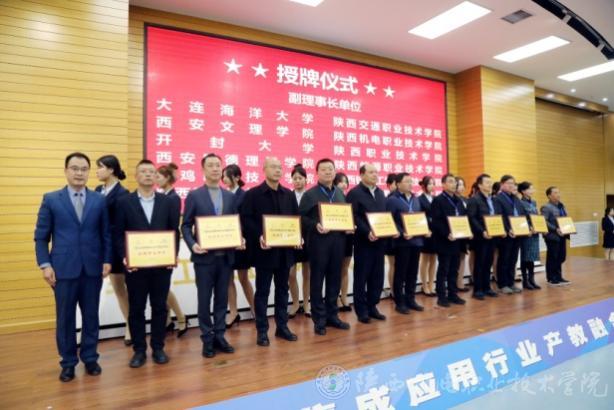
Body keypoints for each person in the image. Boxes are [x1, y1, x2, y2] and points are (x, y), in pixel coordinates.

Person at [35, 152, 112, 382]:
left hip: (92, 268)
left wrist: (107, 260)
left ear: (89, 172)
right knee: (65, 318)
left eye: (84, 169)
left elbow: (106, 234)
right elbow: (41, 237)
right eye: (75, 168)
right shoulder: (51, 199)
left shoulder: (99, 200)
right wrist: (45, 264)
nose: (79, 173)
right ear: (66, 171)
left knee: (91, 316)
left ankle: (90, 357)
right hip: (62, 269)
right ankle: (68, 362)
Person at [114, 159, 180, 368]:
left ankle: (158, 348)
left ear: (156, 177)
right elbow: (118, 234)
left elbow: (174, 231)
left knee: (160, 307)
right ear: (136, 176)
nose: (148, 174)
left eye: (152, 171)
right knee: (136, 309)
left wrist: (173, 255)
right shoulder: (124, 202)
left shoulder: (167, 202)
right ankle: (139, 350)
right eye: (143, 171)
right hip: (136, 267)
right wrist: (124, 256)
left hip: (162, 266)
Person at [182, 154, 240, 358]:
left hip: (225, 259)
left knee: (222, 300)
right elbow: (185, 226)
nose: (215, 169)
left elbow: (235, 224)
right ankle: (207, 339)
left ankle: (220, 336)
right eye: (211, 165)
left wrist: (240, 238)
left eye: (218, 165)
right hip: (204, 259)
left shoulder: (230, 197)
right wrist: (193, 244)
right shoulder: (194, 195)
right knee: (204, 300)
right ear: (203, 169)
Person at [240, 157, 300, 346]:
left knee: (283, 290)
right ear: (264, 169)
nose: (277, 170)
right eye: (273, 167)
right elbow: (246, 219)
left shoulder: (288, 194)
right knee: (263, 292)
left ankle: (282, 327)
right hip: (264, 252)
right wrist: (259, 235)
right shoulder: (253, 194)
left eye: (280, 167)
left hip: (285, 252)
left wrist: (298, 236)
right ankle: (262, 331)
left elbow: (295, 219)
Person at [298, 159, 351, 335]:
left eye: (330, 169)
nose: (328, 172)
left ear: (335, 172)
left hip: (338, 242)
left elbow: (345, 216)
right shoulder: (309, 195)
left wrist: (349, 225)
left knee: (334, 279)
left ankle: (332, 315)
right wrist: (315, 225)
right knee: (317, 280)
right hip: (318, 243)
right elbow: (301, 218)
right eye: (324, 169)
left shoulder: (340, 193)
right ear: (317, 173)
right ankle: (319, 319)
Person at [346, 164, 396, 323]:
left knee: (377, 276)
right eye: (371, 172)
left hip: (380, 242)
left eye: (376, 172)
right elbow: (353, 216)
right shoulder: (354, 193)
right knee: (362, 276)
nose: (375, 175)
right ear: (361, 175)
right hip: (364, 242)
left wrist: (391, 229)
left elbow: (385, 216)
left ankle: (372, 306)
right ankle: (361, 311)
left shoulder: (381, 193)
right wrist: (367, 231)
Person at [94, 155, 130, 346]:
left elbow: (123, 225)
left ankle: (130, 326)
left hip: (117, 248)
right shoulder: (97, 190)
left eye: (100, 167)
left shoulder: (123, 194)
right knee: (115, 290)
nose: (97, 171)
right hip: (99, 246)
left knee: (121, 289)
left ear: (111, 169)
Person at [385, 172, 428, 314]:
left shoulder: (415, 199)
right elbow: (390, 220)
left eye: (411, 181)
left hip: (416, 241)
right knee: (400, 273)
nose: (410, 184)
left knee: (412, 272)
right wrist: (402, 232)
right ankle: (400, 302)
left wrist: (425, 229)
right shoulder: (392, 200)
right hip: (402, 242)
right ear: (398, 184)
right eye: (407, 181)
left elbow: (419, 218)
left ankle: (411, 299)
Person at [156, 163, 189, 337]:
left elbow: (173, 227)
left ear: (167, 178)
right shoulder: (162, 196)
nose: (156, 179)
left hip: (166, 247)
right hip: (158, 247)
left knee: (162, 287)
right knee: (159, 287)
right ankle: (167, 320)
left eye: (158, 176)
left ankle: (181, 317)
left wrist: (173, 252)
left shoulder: (173, 198)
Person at [222, 164, 255, 328]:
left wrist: (242, 237)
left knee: (243, 278)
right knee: (228, 279)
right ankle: (233, 312)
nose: (223, 179)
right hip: (227, 242)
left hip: (241, 243)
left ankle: (255, 309)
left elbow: (247, 220)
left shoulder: (245, 195)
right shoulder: (223, 195)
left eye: (226, 176)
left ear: (236, 177)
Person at [431, 173, 470, 307]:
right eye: (451, 182)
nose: (454, 184)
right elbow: (436, 221)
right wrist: (447, 233)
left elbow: (463, 218)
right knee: (444, 269)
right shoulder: (438, 200)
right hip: (444, 240)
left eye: (455, 182)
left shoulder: (458, 200)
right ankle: (441, 296)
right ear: (443, 184)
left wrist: (466, 232)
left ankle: (453, 294)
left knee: (454, 269)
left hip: (457, 240)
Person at [466, 174, 500, 301]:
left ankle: (487, 287)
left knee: (488, 263)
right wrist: (482, 231)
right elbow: (472, 218)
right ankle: (478, 289)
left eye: (491, 182)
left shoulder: (493, 199)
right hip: (481, 237)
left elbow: (496, 217)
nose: (490, 185)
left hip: (493, 236)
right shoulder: (474, 200)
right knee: (479, 263)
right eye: (487, 182)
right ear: (480, 185)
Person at [494, 175, 525, 295]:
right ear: (502, 184)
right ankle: (503, 284)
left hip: (518, 233)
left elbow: (521, 214)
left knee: (513, 259)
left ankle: (511, 282)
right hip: (506, 235)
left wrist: (525, 226)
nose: (511, 185)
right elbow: (499, 217)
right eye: (509, 183)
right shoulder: (498, 198)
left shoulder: (516, 198)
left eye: (513, 183)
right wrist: (507, 229)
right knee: (504, 259)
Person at [289, 164, 311, 318]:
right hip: (291, 239)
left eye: (300, 178)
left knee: (307, 273)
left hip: (308, 238)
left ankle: (306, 303)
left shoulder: (310, 196)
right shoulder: (288, 196)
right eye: (294, 178)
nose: (297, 181)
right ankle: (296, 303)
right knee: (291, 274)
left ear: (306, 179)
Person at [541, 186, 572, 286]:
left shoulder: (562, 206)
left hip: (562, 235)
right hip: (552, 236)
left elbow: (565, 219)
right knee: (553, 257)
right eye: (555, 192)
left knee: (561, 257)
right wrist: (555, 229)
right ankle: (551, 277)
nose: (558, 194)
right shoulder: (546, 207)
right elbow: (544, 221)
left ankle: (559, 276)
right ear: (549, 196)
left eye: (558, 192)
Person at [334, 172, 352, 312]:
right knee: (335, 270)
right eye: (340, 181)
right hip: (336, 238)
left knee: (345, 269)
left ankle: (344, 297)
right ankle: (335, 298)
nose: (344, 184)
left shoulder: (349, 198)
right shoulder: (332, 198)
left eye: (345, 181)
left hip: (348, 237)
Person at [518, 181, 541, 290]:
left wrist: (539, 226)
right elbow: (521, 219)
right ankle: (525, 281)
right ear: (523, 191)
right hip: (526, 233)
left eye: (533, 188)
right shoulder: (520, 203)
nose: (532, 190)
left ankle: (532, 280)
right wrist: (529, 228)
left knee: (532, 257)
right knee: (525, 257)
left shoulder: (534, 202)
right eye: (530, 189)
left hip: (535, 233)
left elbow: (536, 217)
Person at [418, 176, 437, 296]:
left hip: (435, 232)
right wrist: (425, 229)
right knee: (425, 259)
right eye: (429, 184)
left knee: (434, 259)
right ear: (423, 186)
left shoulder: (435, 199)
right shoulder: (419, 199)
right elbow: (419, 216)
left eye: (433, 184)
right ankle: (424, 285)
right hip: (425, 232)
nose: (432, 186)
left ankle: (431, 284)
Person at [455, 176, 470, 292]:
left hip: (464, 232)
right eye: (459, 184)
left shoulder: (466, 200)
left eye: (462, 184)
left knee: (462, 257)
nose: (461, 187)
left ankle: (460, 281)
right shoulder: (452, 199)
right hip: (455, 232)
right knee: (455, 259)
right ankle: (454, 282)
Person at [385, 173, 397, 298]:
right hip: (390, 238)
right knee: (393, 264)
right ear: (389, 185)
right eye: (394, 183)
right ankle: (393, 290)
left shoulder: (402, 198)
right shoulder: (388, 199)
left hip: (401, 237)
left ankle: (398, 289)